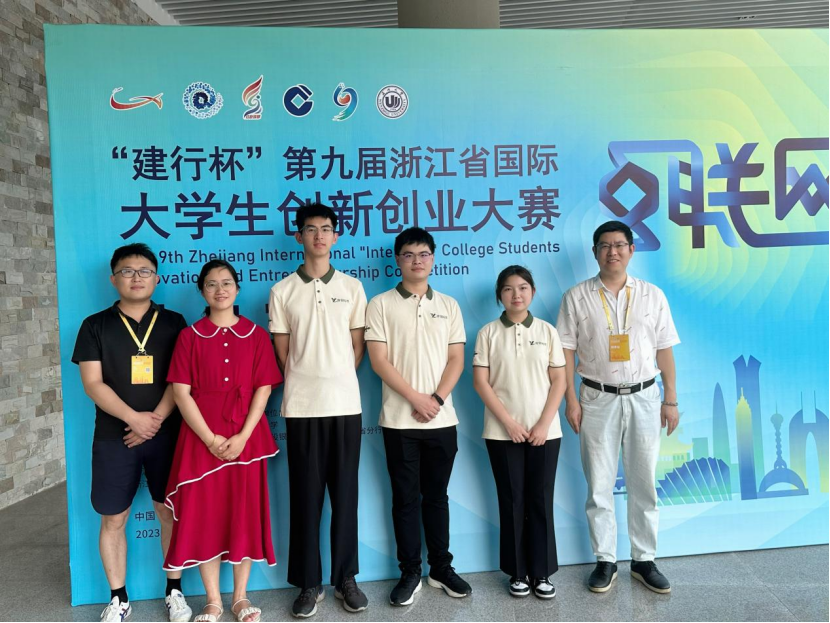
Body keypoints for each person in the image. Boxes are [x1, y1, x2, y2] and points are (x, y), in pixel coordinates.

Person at [556, 220, 680, 594]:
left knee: (644, 482)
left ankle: (644, 560)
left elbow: (664, 349)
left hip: (645, 396)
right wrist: (571, 400)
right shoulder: (576, 297)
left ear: (631, 250)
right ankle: (605, 560)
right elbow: (565, 352)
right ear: (595, 252)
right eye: (605, 245)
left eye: (620, 245)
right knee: (599, 484)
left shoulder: (652, 295)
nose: (613, 251)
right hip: (596, 398)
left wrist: (671, 399)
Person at [72, 243, 192, 622]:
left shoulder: (174, 322)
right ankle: (119, 598)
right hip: (114, 436)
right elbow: (92, 383)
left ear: (156, 278)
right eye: (127, 271)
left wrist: (153, 420)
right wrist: (134, 419)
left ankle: (174, 591)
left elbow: (181, 378)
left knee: (169, 512)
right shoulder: (95, 325)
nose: (136, 277)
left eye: (144, 271)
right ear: (113, 279)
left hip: (168, 435)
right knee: (113, 518)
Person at [164, 260, 282, 623]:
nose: (220, 290)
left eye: (226, 282)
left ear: (237, 289)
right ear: (202, 291)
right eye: (212, 284)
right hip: (201, 438)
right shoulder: (189, 336)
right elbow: (181, 393)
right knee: (206, 518)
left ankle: (240, 597)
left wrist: (243, 436)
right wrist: (210, 438)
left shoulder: (256, 335)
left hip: (247, 438)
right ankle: (213, 600)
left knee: (243, 515)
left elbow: (264, 388)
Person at [268, 203, 369, 618]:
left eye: (326, 229)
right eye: (311, 229)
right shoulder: (283, 291)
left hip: (344, 405)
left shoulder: (352, 287)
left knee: (345, 497)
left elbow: (358, 347)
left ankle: (346, 578)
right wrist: (309, 377)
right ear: (299, 236)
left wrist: (335, 375)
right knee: (305, 498)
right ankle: (309, 582)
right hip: (302, 407)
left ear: (335, 236)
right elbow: (283, 353)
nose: (319, 236)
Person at [365, 227, 471, 607]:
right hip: (399, 420)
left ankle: (441, 568)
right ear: (398, 259)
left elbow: (456, 359)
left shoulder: (449, 305)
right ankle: (410, 572)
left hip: (442, 420)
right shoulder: (380, 304)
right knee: (405, 499)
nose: (417, 261)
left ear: (433, 259)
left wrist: (436, 400)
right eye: (409, 254)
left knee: (437, 497)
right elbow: (379, 361)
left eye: (424, 254)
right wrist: (415, 398)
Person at [472, 265, 567, 599]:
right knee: (511, 500)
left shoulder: (547, 331)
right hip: (502, 433)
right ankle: (517, 572)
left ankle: (541, 572)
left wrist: (543, 424)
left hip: (545, 432)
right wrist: (509, 424)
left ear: (533, 292)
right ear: (500, 294)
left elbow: (559, 381)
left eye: (523, 287)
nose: (517, 294)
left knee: (541, 500)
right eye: (509, 289)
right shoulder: (487, 333)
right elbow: (481, 382)